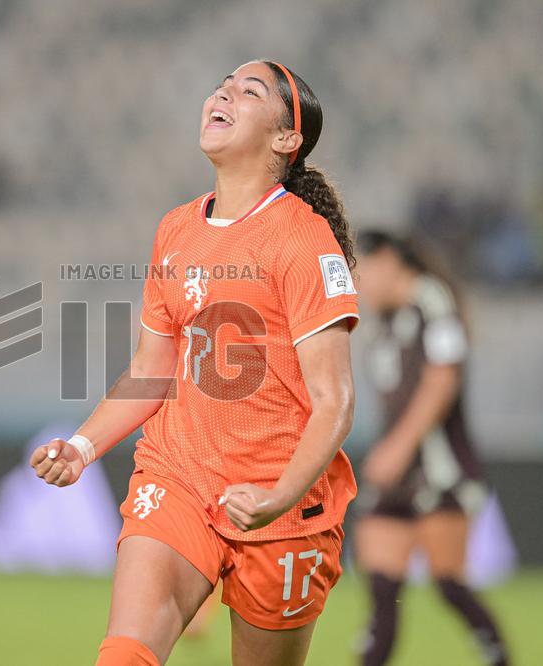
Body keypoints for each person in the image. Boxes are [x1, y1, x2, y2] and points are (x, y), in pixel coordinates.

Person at [31, 60, 360, 666]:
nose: (224, 94)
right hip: (176, 477)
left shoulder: (304, 241)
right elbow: (151, 373)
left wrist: (278, 497)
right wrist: (80, 447)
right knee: (123, 655)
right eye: (224, 85)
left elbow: (335, 402)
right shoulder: (176, 229)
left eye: (249, 91)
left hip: (282, 510)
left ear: (287, 139)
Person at [354, 231, 509, 666]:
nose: (359, 284)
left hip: (441, 472)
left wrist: (398, 448)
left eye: (362, 270)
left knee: (449, 584)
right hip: (396, 476)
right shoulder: (383, 322)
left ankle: (499, 656)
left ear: (388, 261)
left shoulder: (432, 301)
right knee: (383, 590)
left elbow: (443, 380)